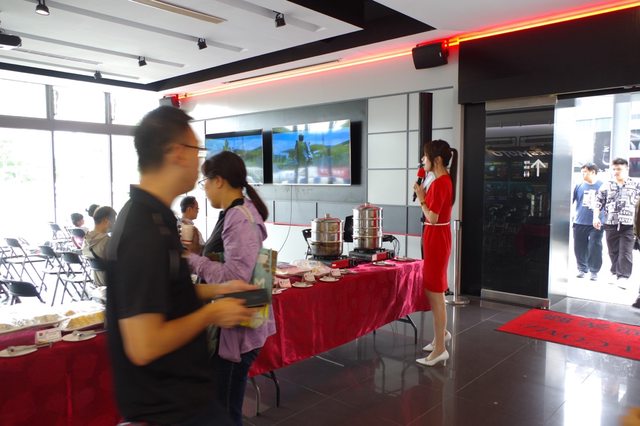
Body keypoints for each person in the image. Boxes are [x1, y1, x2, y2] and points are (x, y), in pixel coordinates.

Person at [106, 106, 258, 425]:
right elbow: (144, 345)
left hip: (186, 399)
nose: (199, 163)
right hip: (170, 409)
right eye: (196, 150)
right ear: (177, 152)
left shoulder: (158, 217)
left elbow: (168, 294)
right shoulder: (141, 229)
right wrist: (212, 313)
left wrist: (220, 290)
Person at [186, 151, 276, 426]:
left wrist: (191, 261)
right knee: (226, 407)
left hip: (237, 330)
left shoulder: (238, 217)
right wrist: (200, 253)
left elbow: (234, 277)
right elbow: (232, 260)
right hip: (239, 324)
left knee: (224, 411)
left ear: (219, 181)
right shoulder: (239, 211)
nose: (204, 189)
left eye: (204, 182)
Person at [412, 139, 458, 367]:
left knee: (435, 292)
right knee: (434, 290)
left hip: (437, 238)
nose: (422, 160)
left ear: (436, 160)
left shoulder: (441, 183)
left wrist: (421, 198)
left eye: (425, 156)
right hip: (436, 237)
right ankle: (441, 335)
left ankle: (440, 349)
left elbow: (432, 217)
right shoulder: (441, 181)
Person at [594, 158, 640, 289]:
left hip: (629, 225)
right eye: (614, 169)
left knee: (625, 251)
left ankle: (623, 276)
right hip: (610, 223)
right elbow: (598, 202)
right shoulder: (606, 185)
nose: (616, 172)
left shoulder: (636, 184)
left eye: (619, 169)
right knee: (613, 251)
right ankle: (614, 272)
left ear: (626, 169)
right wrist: (595, 217)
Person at [572, 163, 604, 281]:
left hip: (597, 223)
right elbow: (571, 201)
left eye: (585, 172)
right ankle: (582, 268)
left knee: (595, 246)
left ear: (593, 172)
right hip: (580, 221)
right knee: (579, 246)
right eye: (582, 172)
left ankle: (594, 271)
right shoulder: (579, 186)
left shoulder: (602, 186)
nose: (583, 174)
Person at [82, 206, 116, 287]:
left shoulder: (86, 239)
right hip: (112, 284)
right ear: (106, 220)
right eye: (113, 220)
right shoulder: (107, 241)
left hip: (98, 283)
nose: (114, 223)